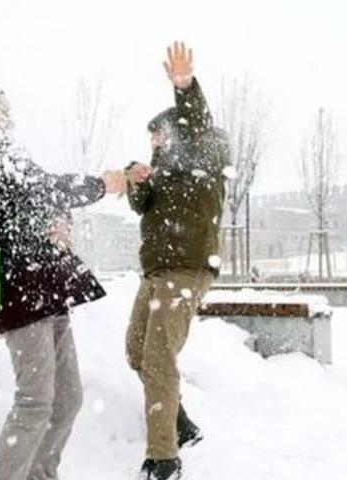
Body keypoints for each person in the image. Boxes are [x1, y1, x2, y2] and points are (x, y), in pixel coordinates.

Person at [0, 83, 127, 480]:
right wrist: (101, 184)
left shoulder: (3, 153)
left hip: (46, 286)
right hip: (21, 290)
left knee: (68, 399)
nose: (8, 115)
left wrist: (52, 220)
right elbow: (41, 190)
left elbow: (33, 198)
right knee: (35, 401)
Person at [124, 42, 230, 480]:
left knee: (159, 359)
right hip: (156, 273)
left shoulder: (205, 154)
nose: (155, 143)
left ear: (178, 132)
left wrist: (184, 87)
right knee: (136, 352)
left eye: (159, 136)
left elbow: (198, 124)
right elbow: (141, 205)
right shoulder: (162, 171)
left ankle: (164, 458)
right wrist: (135, 178)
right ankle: (180, 424)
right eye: (152, 139)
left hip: (186, 271)